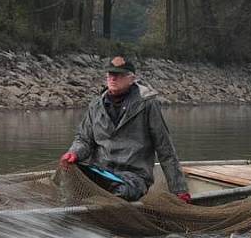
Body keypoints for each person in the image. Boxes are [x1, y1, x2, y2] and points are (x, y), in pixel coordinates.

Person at [60, 56, 191, 203]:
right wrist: (73, 152)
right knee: (67, 174)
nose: (113, 78)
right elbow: (84, 140)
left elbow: (165, 150)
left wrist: (179, 190)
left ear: (131, 79)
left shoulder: (147, 105)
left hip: (134, 178)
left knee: (120, 195)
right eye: (110, 74)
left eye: (119, 75)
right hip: (102, 172)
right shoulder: (96, 105)